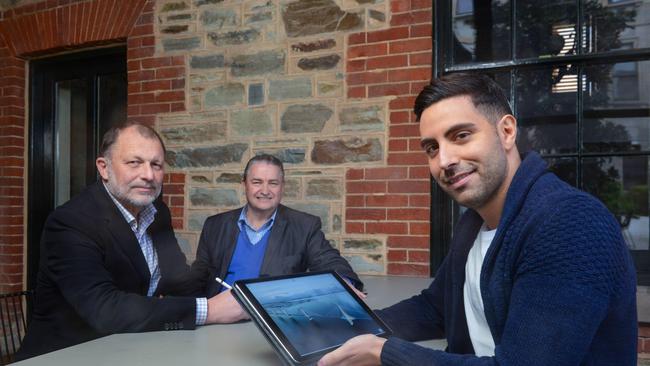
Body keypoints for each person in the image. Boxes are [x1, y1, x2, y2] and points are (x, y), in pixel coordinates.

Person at [318, 73, 638, 365]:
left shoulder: (570, 223)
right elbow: (435, 308)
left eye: (461, 135)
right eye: (432, 147)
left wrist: (384, 353)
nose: (445, 160)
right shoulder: (474, 222)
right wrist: (351, 326)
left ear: (507, 131)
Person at [16, 122, 247, 360]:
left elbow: (178, 280)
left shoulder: (156, 211)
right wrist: (209, 310)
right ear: (104, 168)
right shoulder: (70, 222)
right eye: (134, 163)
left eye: (156, 165)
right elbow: (105, 309)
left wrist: (235, 294)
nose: (148, 175)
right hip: (65, 356)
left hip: (128, 349)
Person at [192, 154, 363, 298]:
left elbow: (330, 261)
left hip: (274, 319)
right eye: (257, 182)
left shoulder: (304, 226)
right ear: (244, 184)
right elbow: (198, 277)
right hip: (218, 318)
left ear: (282, 187)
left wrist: (344, 285)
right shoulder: (215, 225)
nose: (265, 190)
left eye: (273, 183)